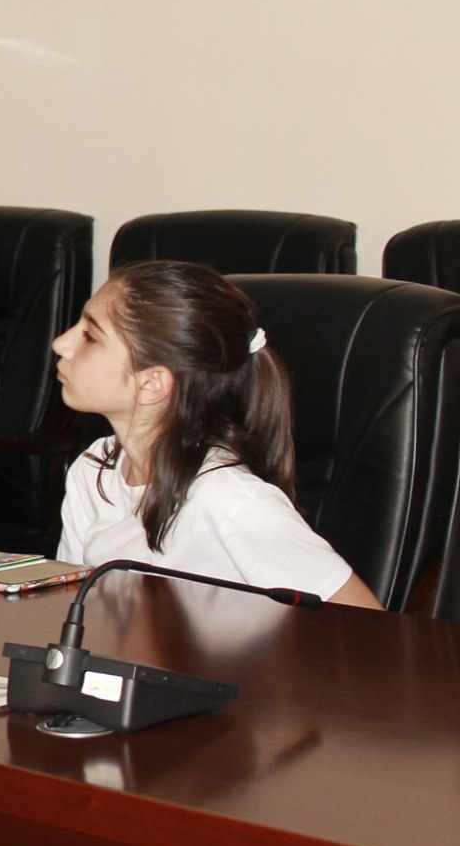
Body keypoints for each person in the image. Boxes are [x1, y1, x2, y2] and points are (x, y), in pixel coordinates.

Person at [52, 260, 383, 607]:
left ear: (151, 384)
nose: (61, 343)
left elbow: (369, 624)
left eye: (91, 336)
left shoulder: (228, 500)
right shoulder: (95, 467)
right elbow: (72, 605)